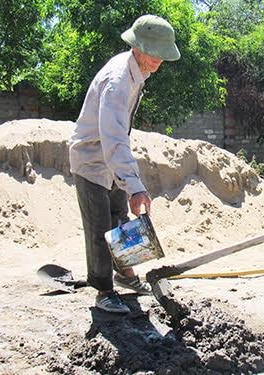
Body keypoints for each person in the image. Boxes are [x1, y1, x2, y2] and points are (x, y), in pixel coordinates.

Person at [69, 15, 180, 313]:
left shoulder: (135, 71)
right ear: (138, 46)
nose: (158, 61)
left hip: (110, 160)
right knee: (100, 227)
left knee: (120, 220)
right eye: (154, 54)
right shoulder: (118, 81)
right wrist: (135, 187)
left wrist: (129, 184)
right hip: (92, 161)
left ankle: (126, 274)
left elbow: (117, 140)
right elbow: (114, 139)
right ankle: (104, 291)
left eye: (162, 55)